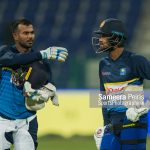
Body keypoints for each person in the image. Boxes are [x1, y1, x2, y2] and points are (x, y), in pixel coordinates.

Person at [0, 18, 68, 150]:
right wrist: (41, 54)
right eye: (25, 33)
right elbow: (12, 60)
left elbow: (48, 83)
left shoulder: (42, 63)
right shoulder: (4, 52)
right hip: (2, 119)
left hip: (27, 121)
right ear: (15, 36)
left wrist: (47, 92)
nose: (30, 36)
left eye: (32, 32)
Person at [92, 18, 149, 150]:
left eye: (104, 36)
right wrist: (105, 125)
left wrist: (146, 106)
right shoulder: (103, 64)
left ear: (117, 39)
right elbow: (104, 96)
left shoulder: (136, 61)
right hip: (112, 125)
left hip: (134, 122)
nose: (100, 39)